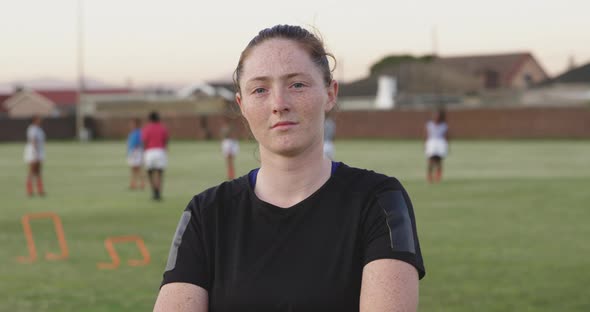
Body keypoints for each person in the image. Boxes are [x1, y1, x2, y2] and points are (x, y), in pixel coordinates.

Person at [154, 25, 425, 312]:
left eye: (297, 85)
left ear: (330, 93)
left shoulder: (379, 201)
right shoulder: (206, 213)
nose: (279, 104)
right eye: (260, 89)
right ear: (242, 105)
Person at [142, 111, 169, 201]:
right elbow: (165, 140)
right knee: (159, 173)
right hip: (160, 151)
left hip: (149, 151)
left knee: (150, 172)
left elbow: (144, 141)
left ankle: (154, 191)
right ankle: (158, 192)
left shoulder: (146, 128)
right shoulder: (162, 128)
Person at [23, 115, 46, 197]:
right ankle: (29, 191)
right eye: (39, 119)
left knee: (38, 172)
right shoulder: (32, 129)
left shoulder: (39, 129)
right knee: (31, 172)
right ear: (34, 120)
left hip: (39, 152)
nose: (40, 120)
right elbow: (33, 141)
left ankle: (40, 191)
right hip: (33, 153)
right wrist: (35, 153)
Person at [424, 108, 449, 183]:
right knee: (431, 160)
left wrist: (446, 145)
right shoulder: (429, 124)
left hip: (440, 142)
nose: (436, 117)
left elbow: (446, 136)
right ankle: (429, 176)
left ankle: (438, 176)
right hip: (432, 142)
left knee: (439, 160)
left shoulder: (444, 125)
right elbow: (426, 135)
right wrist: (425, 144)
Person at [127, 118, 145, 190]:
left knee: (138, 169)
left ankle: (142, 183)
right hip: (132, 152)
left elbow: (140, 143)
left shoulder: (139, 132)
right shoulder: (132, 133)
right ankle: (133, 184)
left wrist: (135, 150)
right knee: (133, 169)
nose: (131, 125)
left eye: (132, 124)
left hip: (136, 152)